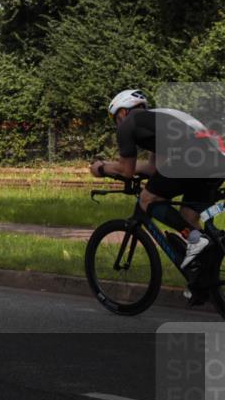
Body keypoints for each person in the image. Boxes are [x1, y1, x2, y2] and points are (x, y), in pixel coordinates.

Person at [90, 89, 224, 287]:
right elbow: (155, 169)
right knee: (188, 215)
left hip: (193, 156)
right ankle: (206, 277)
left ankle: (199, 241)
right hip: (216, 159)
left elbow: (126, 171)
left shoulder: (128, 124)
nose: (117, 124)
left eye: (115, 118)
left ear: (123, 112)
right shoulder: (159, 119)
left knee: (147, 199)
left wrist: (101, 168)